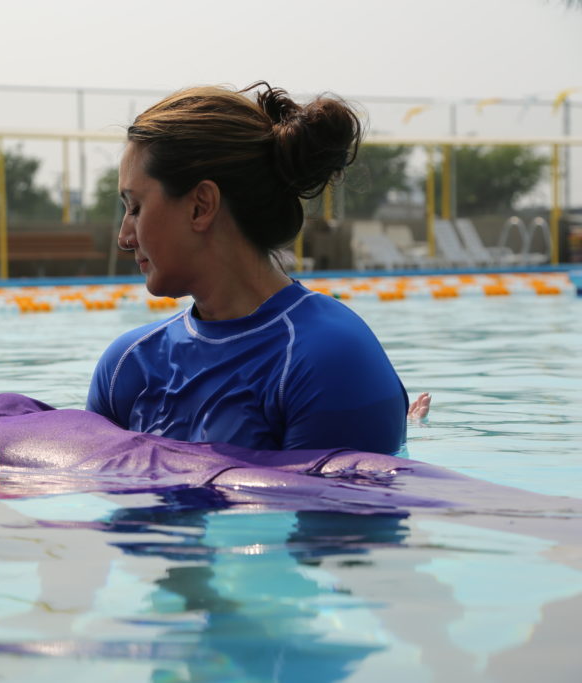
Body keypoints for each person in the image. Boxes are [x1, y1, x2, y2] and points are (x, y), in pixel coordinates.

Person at [86, 83, 413, 456]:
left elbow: (339, 512)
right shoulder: (127, 367)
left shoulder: (329, 362)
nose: (124, 238)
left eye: (136, 208)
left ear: (200, 206)